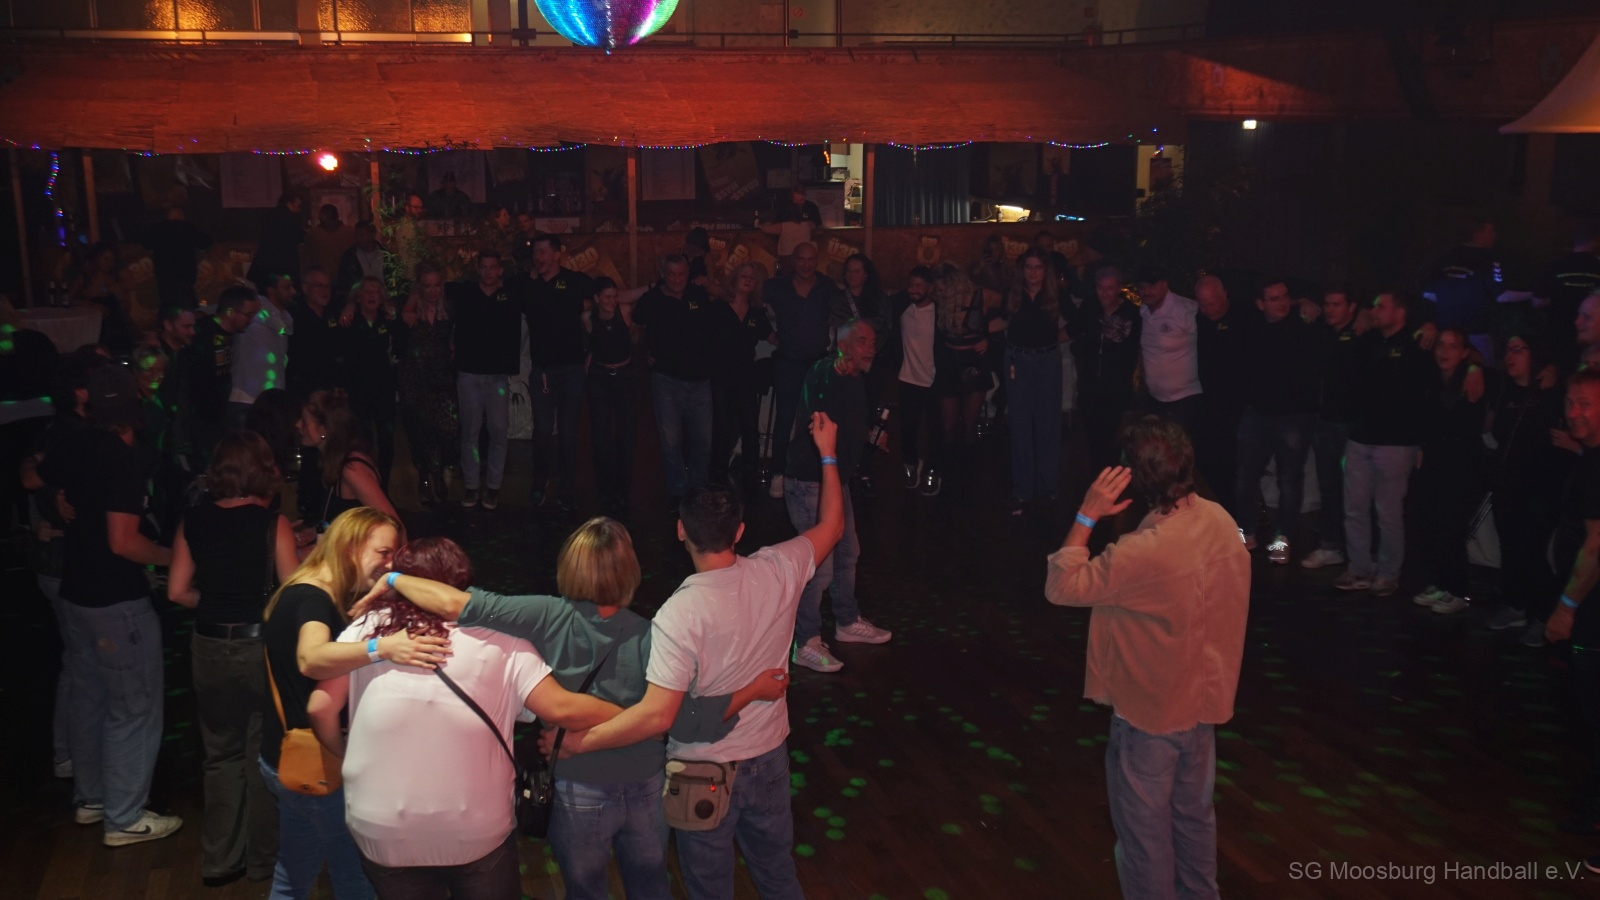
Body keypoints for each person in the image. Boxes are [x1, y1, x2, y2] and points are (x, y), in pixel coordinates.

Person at [349, 520, 790, 900]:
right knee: (651, 886)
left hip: (580, 790)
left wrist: (393, 579)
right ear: (629, 570)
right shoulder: (652, 632)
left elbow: (457, 604)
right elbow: (685, 718)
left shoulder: (546, 616)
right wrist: (751, 690)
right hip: (645, 786)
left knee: (584, 889)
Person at [551, 412, 847, 899]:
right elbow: (832, 525)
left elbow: (659, 715)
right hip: (768, 757)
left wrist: (578, 743)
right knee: (778, 877)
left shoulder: (677, 613)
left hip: (699, 772)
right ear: (740, 531)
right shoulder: (779, 568)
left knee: (709, 890)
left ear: (681, 532)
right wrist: (828, 453)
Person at [307, 536, 626, 899]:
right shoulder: (503, 640)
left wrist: (344, 759)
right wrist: (636, 717)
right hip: (474, 827)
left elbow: (320, 707)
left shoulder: (366, 629)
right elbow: (561, 709)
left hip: (381, 826)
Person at [1044, 418, 1250, 900]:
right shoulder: (1220, 522)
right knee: (1194, 822)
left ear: (1134, 477)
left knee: (1144, 843)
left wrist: (1086, 514)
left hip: (1150, 717)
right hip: (1200, 711)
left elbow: (1061, 586)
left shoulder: (1141, 553)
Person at [260, 507, 448, 900]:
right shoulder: (312, 599)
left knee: (293, 874)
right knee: (355, 879)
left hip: (284, 757)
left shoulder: (298, 590)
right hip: (321, 765)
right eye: (383, 552)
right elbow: (310, 658)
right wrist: (384, 648)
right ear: (349, 547)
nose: (390, 564)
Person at [35, 365, 181, 846]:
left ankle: (93, 799)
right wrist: (174, 558)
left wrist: (55, 499)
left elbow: (32, 473)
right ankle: (124, 817)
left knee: (89, 698)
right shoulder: (124, 459)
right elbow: (123, 542)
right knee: (133, 708)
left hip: (75, 591)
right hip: (116, 599)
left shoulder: (74, 443)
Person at [165, 431, 298, 886]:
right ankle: (263, 860)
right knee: (263, 751)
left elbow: (176, 591)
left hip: (207, 645)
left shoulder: (193, 520)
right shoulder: (273, 525)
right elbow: (291, 596)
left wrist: (216, 602)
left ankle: (220, 860)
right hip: (256, 646)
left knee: (219, 753)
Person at [786, 320, 893, 673]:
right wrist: (836, 365)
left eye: (873, 342)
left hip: (835, 480)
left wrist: (870, 436)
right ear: (843, 345)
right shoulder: (826, 371)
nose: (870, 348)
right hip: (810, 482)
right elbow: (818, 412)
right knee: (819, 566)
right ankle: (806, 642)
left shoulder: (855, 379)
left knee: (848, 552)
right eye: (862, 341)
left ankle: (846, 622)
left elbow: (846, 422)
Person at [1334, 290, 1435, 597]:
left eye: (1381, 306)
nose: (1374, 311)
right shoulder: (1368, 341)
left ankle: (1389, 572)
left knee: (1388, 512)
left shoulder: (1416, 344)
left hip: (1397, 442)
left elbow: (1428, 392)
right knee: (1354, 507)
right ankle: (1359, 567)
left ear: (1400, 312)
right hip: (1360, 437)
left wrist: (1421, 442)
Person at [1485, 334, 1573, 645]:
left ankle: (1542, 615)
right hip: (1507, 485)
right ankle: (1515, 605)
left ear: (1535, 355)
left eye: (1518, 350)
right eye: (1507, 350)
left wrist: (1555, 372)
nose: (1510, 355)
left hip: (1541, 489)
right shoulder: (1506, 390)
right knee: (1511, 548)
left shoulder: (1553, 392)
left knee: (1536, 552)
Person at [1543, 372, 1600, 850]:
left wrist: (1566, 607)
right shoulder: (1590, 458)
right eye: (1570, 402)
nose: (1574, 412)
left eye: (1585, 404)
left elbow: (1596, 546)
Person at [1233, 277, 1320, 562]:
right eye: (1274, 298)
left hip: (1294, 415)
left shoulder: (1303, 324)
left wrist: (1303, 302)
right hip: (1258, 412)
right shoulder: (1253, 325)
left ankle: (1282, 539)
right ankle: (1247, 532)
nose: (1282, 303)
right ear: (1261, 304)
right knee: (1245, 476)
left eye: (1285, 296)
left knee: (1289, 479)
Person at [1411, 328, 1489, 615]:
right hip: (1434, 461)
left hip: (1462, 464)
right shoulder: (1431, 379)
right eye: (1441, 345)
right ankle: (1441, 583)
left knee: (1452, 528)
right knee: (1430, 525)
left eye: (1452, 346)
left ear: (1464, 352)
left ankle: (1458, 590)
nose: (1444, 351)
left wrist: (1475, 366)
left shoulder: (1472, 379)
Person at [764, 242, 848, 498]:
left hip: (817, 363)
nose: (806, 264)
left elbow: (846, 315)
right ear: (793, 261)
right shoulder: (776, 287)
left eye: (811, 259)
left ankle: (811, 473)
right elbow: (748, 300)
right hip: (788, 361)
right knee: (784, 419)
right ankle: (778, 474)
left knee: (817, 420)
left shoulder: (827, 287)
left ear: (816, 261)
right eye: (801, 259)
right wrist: (767, 333)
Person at [635, 253, 717, 505]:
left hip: (700, 380)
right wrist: (643, 353)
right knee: (671, 442)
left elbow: (724, 299)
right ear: (662, 275)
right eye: (671, 274)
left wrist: (709, 281)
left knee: (704, 441)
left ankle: (698, 489)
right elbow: (633, 323)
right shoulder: (651, 300)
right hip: (666, 380)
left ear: (688, 274)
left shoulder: (698, 295)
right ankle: (678, 491)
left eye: (681, 274)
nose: (677, 279)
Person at [524, 233, 594, 511]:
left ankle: (566, 488)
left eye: (544, 251)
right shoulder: (529, 284)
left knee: (568, 431)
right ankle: (539, 482)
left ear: (557, 254)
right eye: (536, 252)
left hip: (572, 368)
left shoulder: (575, 281)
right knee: (542, 429)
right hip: (542, 369)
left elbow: (604, 295)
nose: (539, 257)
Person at [447, 250, 522, 510]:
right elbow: (426, 287)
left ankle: (493, 487)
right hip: (469, 374)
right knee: (470, 431)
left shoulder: (511, 295)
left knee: (499, 430)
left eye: (493, 267)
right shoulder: (465, 293)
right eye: (484, 267)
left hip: (497, 376)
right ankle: (471, 485)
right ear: (478, 269)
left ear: (500, 270)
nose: (488, 272)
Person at [1300, 288, 1361, 569]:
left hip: (1351, 425)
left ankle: (1359, 554)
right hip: (1324, 422)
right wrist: (1303, 300)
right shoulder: (1322, 333)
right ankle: (1331, 546)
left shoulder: (1362, 334)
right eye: (1327, 304)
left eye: (1337, 304)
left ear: (1351, 307)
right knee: (1329, 488)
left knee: (1355, 492)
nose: (1330, 309)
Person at [1004, 249, 1066, 514]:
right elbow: (1000, 320)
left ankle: (1047, 488)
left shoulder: (1055, 295)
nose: (1032, 272)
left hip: (1046, 361)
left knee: (1047, 425)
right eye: (1028, 267)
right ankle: (1022, 490)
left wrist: (1053, 340)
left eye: (1037, 267)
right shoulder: (1013, 294)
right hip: (1018, 360)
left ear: (1045, 270)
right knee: (1019, 425)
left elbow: (1079, 321)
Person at [929, 262, 995, 500]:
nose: (939, 293)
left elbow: (1012, 309)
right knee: (948, 426)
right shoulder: (940, 300)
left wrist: (988, 337)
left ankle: (968, 479)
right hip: (949, 362)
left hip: (972, 364)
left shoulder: (979, 295)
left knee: (969, 425)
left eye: (942, 288)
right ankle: (948, 478)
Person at [295, 388, 400, 532]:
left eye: (304, 421)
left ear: (324, 429)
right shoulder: (334, 463)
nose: (298, 425)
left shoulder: (353, 469)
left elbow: (394, 525)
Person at [397, 261, 458, 506]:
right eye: (427, 286)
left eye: (437, 285)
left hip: (442, 384)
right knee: (420, 434)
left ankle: (437, 471)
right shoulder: (410, 314)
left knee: (447, 432)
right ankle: (426, 479)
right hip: (415, 383)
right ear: (419, 288)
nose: (433, 290)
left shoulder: (449, 311)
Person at [709, 262, 774, 491]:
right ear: (734, 279)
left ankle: (749, 477)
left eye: (752, 278)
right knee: (722, 428)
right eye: (744, 275)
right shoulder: (718, 308)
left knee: (749, 427)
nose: (747, 279)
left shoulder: (756, 313)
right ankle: (717, 478)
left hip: (746, 377)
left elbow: (772, 337)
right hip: (720, 376)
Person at [1070, 266, 1142, 472]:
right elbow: (1074, 329)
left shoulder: (1131, 313)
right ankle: (1099, 477)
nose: (1104, 293)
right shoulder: (1090, 306)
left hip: (1117, 387)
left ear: (1119, 288)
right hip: (1091, 385)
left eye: (1110, 288)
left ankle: (1112, 477)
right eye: (1100, 288)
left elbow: (1137, 348)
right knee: (1093, 437)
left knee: (1113, 437)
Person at [1193, 275, 1249, 522]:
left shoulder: (1244, 313)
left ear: (1225, 294)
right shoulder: (1198, 318)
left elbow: (1277, 306)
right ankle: (1230, 509)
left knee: (1237, 463)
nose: (1209, 310)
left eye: (1213, 303)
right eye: (1203, 305)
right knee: (1206, 459)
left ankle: (1244, 515)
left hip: (1241, 405)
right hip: (1210, 403)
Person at [335, 276, 399, 488]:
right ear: (358, 296)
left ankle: (383, 488)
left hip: (384, 390)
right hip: (357, 390)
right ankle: (365, 487)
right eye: (367, 291)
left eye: (376, 291)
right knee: (362, 441)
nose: (372, 296)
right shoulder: (348, 320)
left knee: (386, 441)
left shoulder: (387, 319)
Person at [184, 285, 259, 465]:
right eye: (248, 315)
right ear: (231, 312)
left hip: (218, 415)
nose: (251, 320)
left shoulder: (231, 335)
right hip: (199, 419)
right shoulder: (201, 334)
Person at [584, 277, 639, 514]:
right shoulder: (588, 319)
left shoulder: (624, 311)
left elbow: (631, 300)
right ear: (597, 298)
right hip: (600, 376)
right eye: (607, 297)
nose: (612, 301)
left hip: (624, 376)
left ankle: (623, 492)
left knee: (626, 436)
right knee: (601, 437)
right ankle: (606, 492)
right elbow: (590, 345)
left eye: (614, 296)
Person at [1419, 217, 1502, 363]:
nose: (1495, 235)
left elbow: (1429, 295)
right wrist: (1532, 295)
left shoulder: (1444, 257)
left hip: (1447, 333)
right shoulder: (1489, 259)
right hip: (1475, 334)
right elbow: (1501, 294)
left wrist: (1429, 320)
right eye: (1491, 231)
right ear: (1478, 233)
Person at [1136, 267, 1204, 435]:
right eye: (1142, 287)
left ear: (1164, 284)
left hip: (1185, 399)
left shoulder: (1186, 310)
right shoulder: (1143, 312)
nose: (1146, 291)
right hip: (1154, 400)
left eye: (1152, 286)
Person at [889, 266, 938, 489]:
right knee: (907, 429)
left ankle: (932, 471)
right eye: (911, 284)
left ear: (930, 287)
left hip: (934, 380)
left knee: (934, 431)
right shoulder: (902, 307)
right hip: (907, 378)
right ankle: (910, 464)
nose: (913, 289)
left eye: (919, 285)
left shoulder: (939, 312)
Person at [229, 272, 296, 427]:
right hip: (247, 399)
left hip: (271, 402)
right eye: (287, 287)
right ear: (271, 290)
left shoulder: (285, 319)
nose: (293, 292)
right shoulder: (253, 312)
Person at [1534, 225, 1600, 374]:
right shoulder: (1598, 267)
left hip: (1559, 333)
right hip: (1593, 336)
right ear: (1595, 241)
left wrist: (1559, 299)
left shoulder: (1552, 267)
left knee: (1561, 373)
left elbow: (1537, 302)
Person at [147, 204, 212, 309]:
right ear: (181, 215)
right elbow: (206, 242)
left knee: (168, 308)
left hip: (163, 277)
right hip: (184, 276)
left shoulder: (156, 229)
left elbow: (146, 244)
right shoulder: (187, 228)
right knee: (188, 308)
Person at [250, 194, 305, 288]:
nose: (299, 210)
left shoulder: (268, 216)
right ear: (289, 204)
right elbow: (299, 237)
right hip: (284, 265)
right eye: (298, 206)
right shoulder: (291, 219)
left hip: (264, 265)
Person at [335, 222, 385, 300]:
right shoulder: (349, 257)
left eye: (362, 235)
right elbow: (343, 283)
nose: (358, 238)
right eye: (356, 235)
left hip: (383, 299)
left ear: (372, 234)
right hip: (359, 301)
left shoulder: (386, 255)